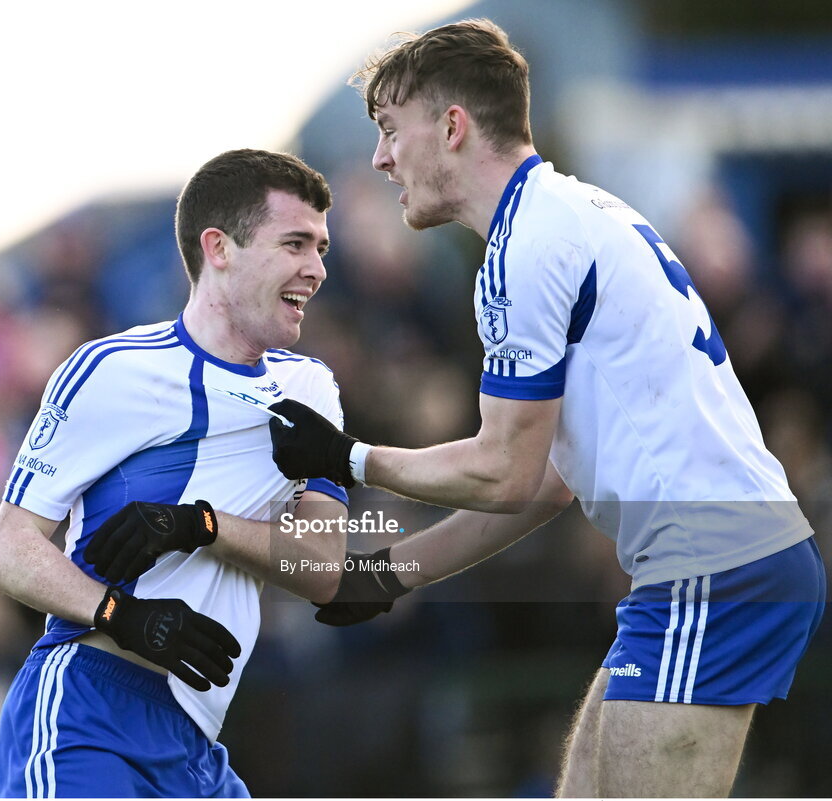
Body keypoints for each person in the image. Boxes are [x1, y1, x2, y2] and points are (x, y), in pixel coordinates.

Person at [268, 19, 827, 798]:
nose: (380, 158)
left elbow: (501, 471)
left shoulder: (527, 243)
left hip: (715, 563)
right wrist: (388, 573)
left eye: (392, 131)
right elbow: (541, 484)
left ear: (453, 127)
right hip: (705, 563)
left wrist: (348, 457)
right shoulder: (558, 215)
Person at [0, 148, 350, 798]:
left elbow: (324, 569)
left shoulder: (312, 390)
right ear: (220, 248)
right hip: (87, 710)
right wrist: (121, 612)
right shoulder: (108, 369)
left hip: (196, 749)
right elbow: (9, 549)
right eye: (295, 243)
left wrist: (202, 524)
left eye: (321, 247)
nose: (317, 269)